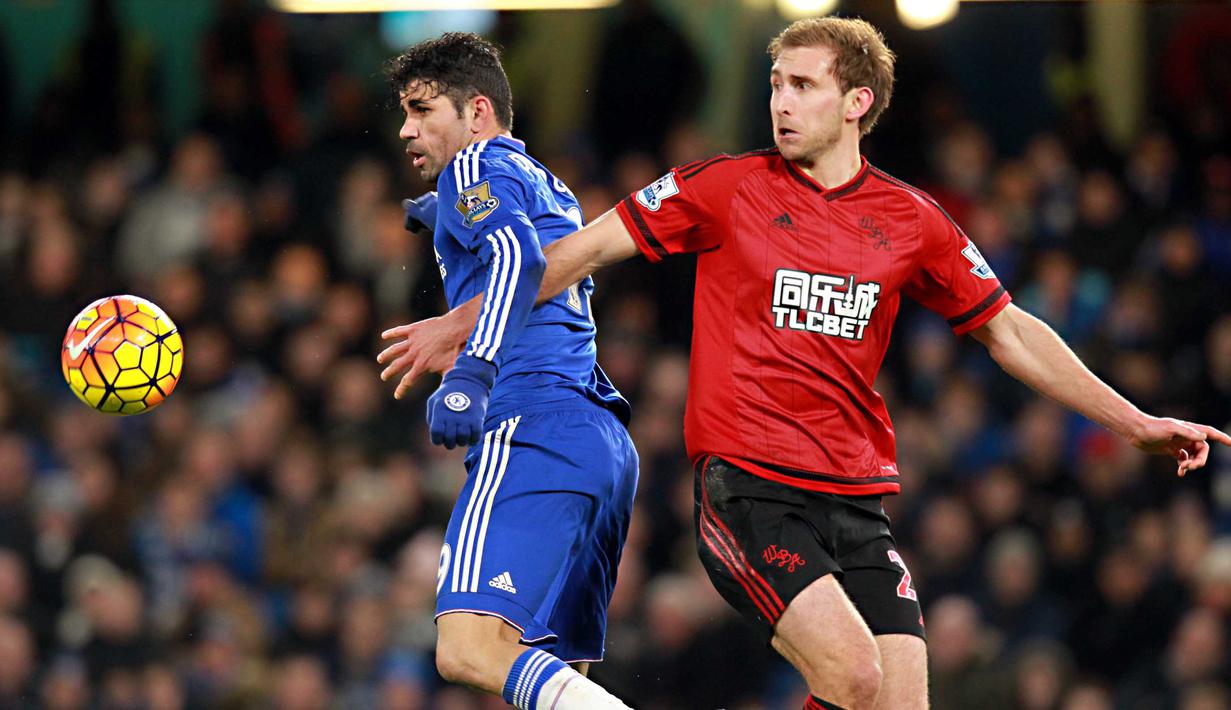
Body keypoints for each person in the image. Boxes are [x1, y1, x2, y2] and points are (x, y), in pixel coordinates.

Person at [378, 19, 1231, 710]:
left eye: (801, 86)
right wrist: (463, 325)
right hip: (748, 488)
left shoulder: (912, 221)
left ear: (856, 101)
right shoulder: (720, 186)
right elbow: (578, 251)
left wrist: (1135, 421)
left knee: (895, 706)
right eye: (774, 85)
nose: (779, 104)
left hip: (857, 503)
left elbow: (1009, 330)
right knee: (851, 679)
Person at [379, 33, 637, 709]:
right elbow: (538, 244)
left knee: (467, 649)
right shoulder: (539, 181)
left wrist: (471, 374)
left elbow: (518, 262)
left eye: (422, 109)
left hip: (530, 424)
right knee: (551, 678)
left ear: (478, 113)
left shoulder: (472, 168)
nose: (406, 128)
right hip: (597, 443)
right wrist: (441, 218)